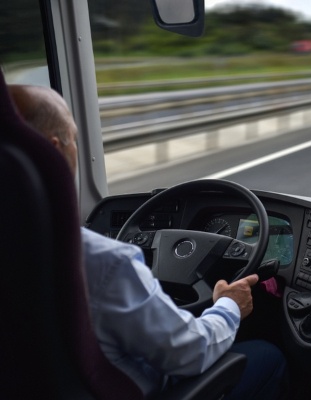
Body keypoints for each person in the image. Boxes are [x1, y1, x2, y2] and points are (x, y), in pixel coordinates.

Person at [9, 84, 286, 399]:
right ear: (53, 151)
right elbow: (191, 352)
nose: (77, 147)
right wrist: (228, 305)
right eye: (74, 139)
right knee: (269, 355)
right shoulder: (103, 261)